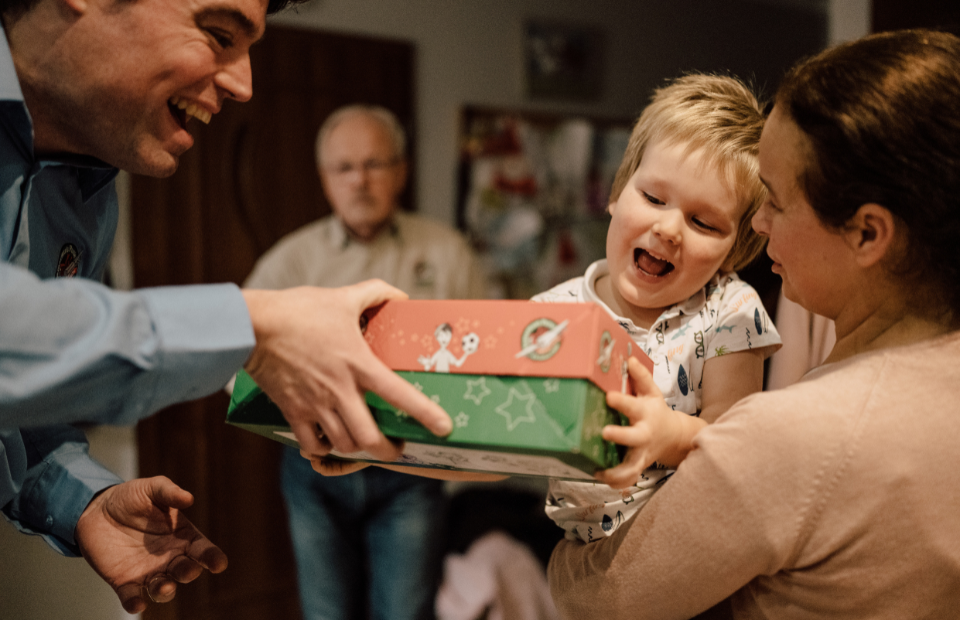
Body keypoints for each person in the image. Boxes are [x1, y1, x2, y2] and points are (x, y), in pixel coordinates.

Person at [0, 0, 450, 614]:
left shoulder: (89, 189)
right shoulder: (291, 255)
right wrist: (252, 326)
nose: (244, 84)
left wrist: (81, 503)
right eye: (217, 34)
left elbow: (20, 403)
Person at [548, 29, 960, 619]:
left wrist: (565, 555)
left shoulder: (794, 435)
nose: (759, 223)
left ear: (868, 233)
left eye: (776, 199)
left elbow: (603, 598)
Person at [244, 104, 487, 620]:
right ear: (325, 179)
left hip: (412, 465)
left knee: (404, 611)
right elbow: (234, 361)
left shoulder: (447, 252)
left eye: (375, 164)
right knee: (325, 612)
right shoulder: (291, 261)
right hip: (313, 464)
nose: (360, 180)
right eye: (345, 167)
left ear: (401, 171)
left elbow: (484, 357)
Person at [528, 74, 781, 543]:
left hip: (689, 539)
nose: (668, 228)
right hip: (583, 551)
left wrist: (670, 434)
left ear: (734, 252)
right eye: (652, 198)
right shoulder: (551, 313)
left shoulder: (730, 308)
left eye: (703, 221)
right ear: (616, 192)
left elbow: (735, 437)